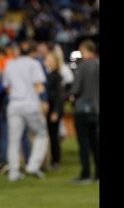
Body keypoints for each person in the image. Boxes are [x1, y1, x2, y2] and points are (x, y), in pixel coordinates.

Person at [2, 41, 49, 181]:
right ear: (32, 52)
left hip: (14, 105)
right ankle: (33, 166)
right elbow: (39, 86)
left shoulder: (10, 64)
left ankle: (14, 172)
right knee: (42, 134)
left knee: (13, 140)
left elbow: (7, 88)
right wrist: (43, 101)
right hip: (30, 105)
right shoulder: (34, 64)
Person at [70, 39, 99, 184]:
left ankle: (86, 174)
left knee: (84, 143)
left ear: (84, 49)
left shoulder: (82, 66)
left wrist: (69, 96)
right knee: (95, 142)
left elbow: (75, 89)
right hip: (96, 109)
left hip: (82, 108)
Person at [44, 51, 64, 171]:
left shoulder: (56, 76)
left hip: (53, 109)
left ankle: (55, 161)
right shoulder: (49, 74)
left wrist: (56, 111)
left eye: (50, 59)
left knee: (53, 136)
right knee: (51, 135)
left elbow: (59, 96)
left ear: (55, 62)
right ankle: (52, 159)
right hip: (50, 108)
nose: (47, 61)